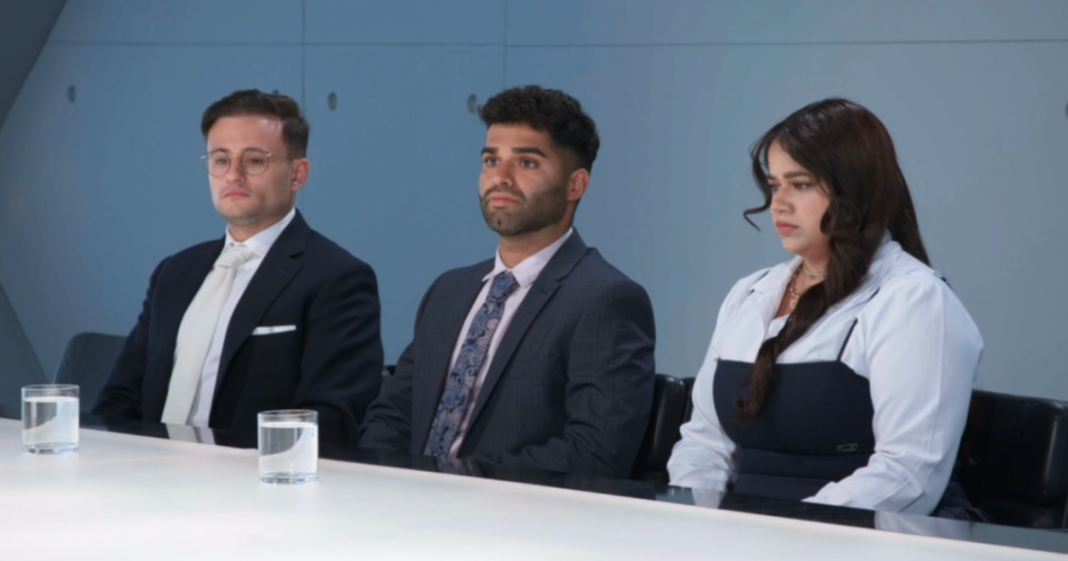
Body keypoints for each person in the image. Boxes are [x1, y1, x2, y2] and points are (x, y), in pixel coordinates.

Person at [667, 98, 983, 515]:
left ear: (854, 189)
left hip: (860, 539)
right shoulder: (748, 293)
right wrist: (692, 522)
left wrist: (784, 534)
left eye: (799, 184)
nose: (778, 203)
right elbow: (704, 444)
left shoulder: (913, 299)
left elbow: (909, 475)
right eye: (774, 184)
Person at [359, 85, 656, 478]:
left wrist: (457, 483)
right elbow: (393, 415)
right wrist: (385, 483)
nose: (501, 178)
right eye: (491, 160)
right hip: (407, 512)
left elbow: (596, 454)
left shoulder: (606, 299)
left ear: (575, 185)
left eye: (527, 163)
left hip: (517, 524)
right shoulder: (450, 290)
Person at [94, 89, 384, 445]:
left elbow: (332, 421)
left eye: (254, 161)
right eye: (220, 160)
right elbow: (120, 399)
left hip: (252, 485)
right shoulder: (174, 272)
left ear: (297, 174)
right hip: (150, 475)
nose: (233, 175)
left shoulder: (337, 278)